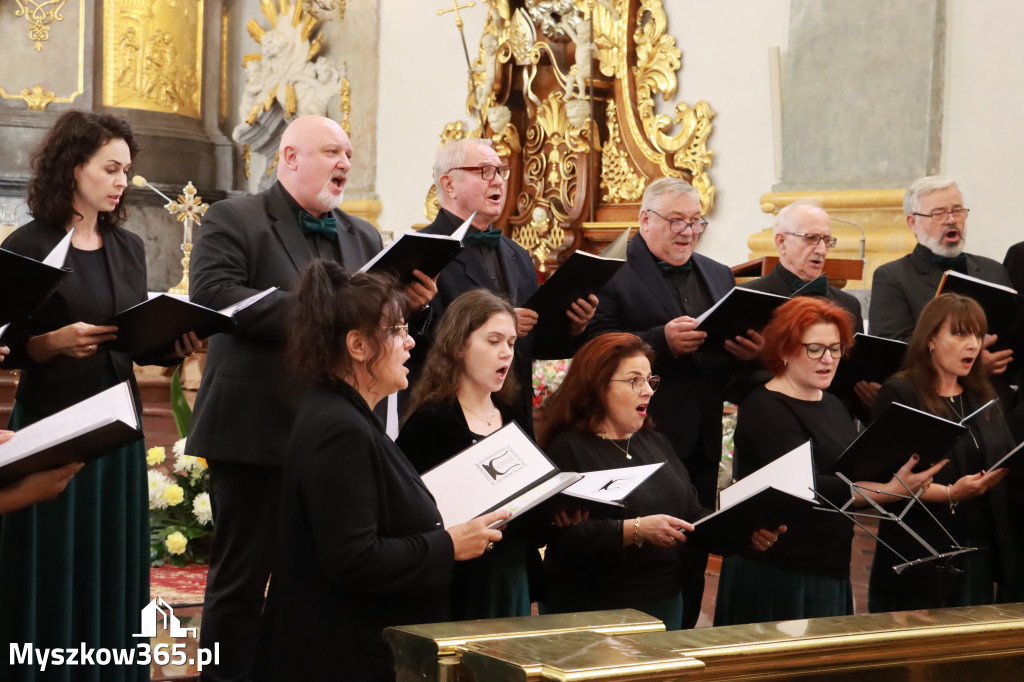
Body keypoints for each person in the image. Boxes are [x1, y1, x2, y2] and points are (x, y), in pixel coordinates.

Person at [187, 115, 436, 682]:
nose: (344, 163)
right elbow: (216, 295)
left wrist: (407, 307)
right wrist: (326, 314)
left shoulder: (363, 236)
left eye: (348, 153)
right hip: (256, 429)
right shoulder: (235, 217)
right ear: (290, 157)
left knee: (327, 575)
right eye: (331, 151)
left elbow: (367, 332)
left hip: (342, 435)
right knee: (240, 583)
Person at [0, 110, 197, 681]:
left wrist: (175, 343)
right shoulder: (28, 244)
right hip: (50, 424)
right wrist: (51, 343)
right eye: (110, 168)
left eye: (127, 172)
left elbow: (133, 341)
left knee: (111, 561)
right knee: (50, 562)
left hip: (115, 425)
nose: (121, 182)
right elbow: (8, 344)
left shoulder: (128, 247)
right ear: (73, 167)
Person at [254, 260, 505, 682]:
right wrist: (448, 544)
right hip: (342, 656)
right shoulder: (339, 429)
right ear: (358, 345)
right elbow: (354, 559)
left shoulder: (349, 415)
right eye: (398, 332)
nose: (410, 344)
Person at [586, 177, 762, 627]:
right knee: (644, 556)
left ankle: (682, 643)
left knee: (692, 552)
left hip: (702, 437)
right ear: (645, 220)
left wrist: (746, 354)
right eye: (675, 221)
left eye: (695, 221)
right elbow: (593, 346)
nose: (687, 231)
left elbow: (721, 356)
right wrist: (658, 342)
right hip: (637, 437)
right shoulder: (612, 271)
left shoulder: (719, 273)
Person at [715, 297, 942, 626]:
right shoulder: (765, 406)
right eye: (815, 349)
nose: (828, 360)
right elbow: (808, 488)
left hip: (830, 562)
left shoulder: (834, 404)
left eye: (835, 349)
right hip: (779, 570)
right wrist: (890, 491)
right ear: (784, 350)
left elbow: (852, 471)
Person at [539, 333, 782, 630]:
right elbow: (563, 538)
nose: (648, 392)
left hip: (665, 602)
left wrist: (743, 531)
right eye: (634, 381)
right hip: (597, 609)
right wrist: (636, 529)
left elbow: (692, 515)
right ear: (598, 385)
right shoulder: (570, 448)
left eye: (650, 381)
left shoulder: (656, 443)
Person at [410, 138, 597, 428]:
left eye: (500, 172)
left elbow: (536, 344)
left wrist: (573, 325)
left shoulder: (517, 254)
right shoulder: (422, 251)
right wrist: (498, 325)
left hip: (513, 413)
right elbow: (414, 340)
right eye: (485, 171)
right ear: (449, 184)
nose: (498, 181)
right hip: (449, 413)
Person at [869, 294, 1021, 611]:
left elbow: (1005, 456)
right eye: (960, 334)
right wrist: (952, 492)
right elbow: (886, 480)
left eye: (978, 335)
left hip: (978, 549)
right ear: (930, 340)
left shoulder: (982, 394)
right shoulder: (901, 392)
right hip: (921, 554)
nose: (973, 345)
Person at [398, 288, 536, 619]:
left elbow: (529, 519)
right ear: (459, 346)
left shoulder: (512, 418)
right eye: (493, 341)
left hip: (512, 579)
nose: (506, 353)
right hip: (457, 585)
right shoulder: (431, 421)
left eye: (511, 343)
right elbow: (412, 517)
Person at [870, 176, 1013, 378]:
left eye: (957, 210)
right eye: (938, 214)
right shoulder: (893, 277)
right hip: (930, 396)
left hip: (997, 395)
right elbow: (893, 352)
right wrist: (970, 362)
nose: (951, 220)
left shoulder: (993, 269)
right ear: (913, 223)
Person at [744, 200, 874, 408]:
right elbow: (733, 379)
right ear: (781, 242)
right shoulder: (749, 298)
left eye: (826, 240)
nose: (821, 250)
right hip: (772, 416)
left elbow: (852, 376)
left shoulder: (848, 304)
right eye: (811, 238)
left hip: (834, 420)